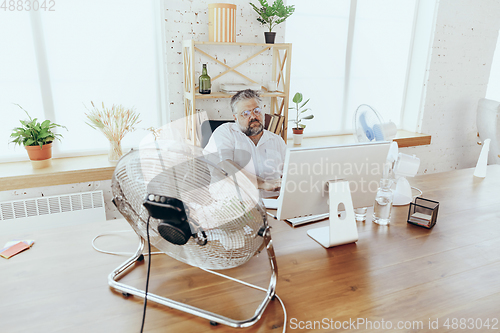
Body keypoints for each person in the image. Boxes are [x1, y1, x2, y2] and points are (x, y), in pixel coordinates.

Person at [204, 89, 287, 197]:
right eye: (245, 113)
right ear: (235, 118)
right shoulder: (225, 132)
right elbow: (223, 167)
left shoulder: (277, 141)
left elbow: (289, 174)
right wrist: (262, 183)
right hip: (231, 206)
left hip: (272, 206)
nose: (253, 116)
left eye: (256, 111)